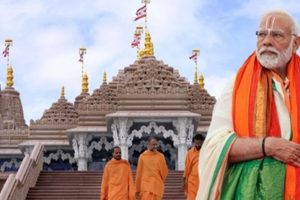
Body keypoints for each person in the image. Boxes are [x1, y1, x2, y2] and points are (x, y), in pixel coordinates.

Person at [197, 10, 300, 199]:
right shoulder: (237, 84)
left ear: (295, 44)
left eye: (276, 35)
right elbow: (214, 147)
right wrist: (267, 146)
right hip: (249, 191)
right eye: (261, 34)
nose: (267, 41)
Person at [183, 134, 204, 200]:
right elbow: (187, 166)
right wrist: (184, 178)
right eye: (196, 143)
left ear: (202, 142)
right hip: (192, 180)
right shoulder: (189, 153)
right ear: (194, 142)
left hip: (202, 179)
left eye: (199, 143)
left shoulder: (206, 151)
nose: (197, 145)